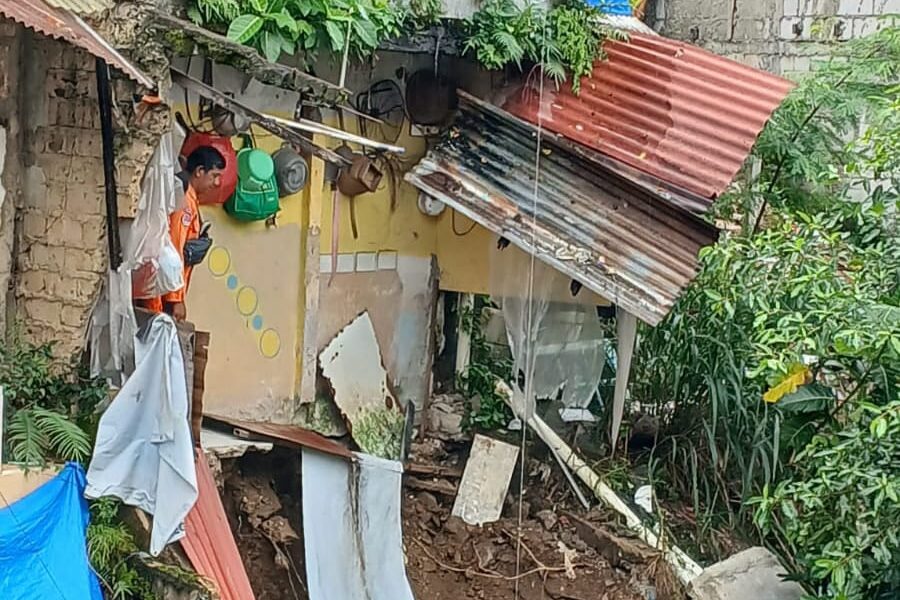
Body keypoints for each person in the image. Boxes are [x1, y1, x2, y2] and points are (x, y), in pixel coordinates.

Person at [139, 145, 224, 320]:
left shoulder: (189, 198)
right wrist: (175, 298)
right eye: (214, 176)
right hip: (161, 292)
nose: (217, 183)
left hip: (162, 288)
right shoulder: (184, 199)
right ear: (200, 171)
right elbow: (175, 246)